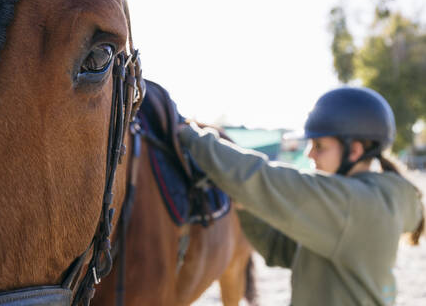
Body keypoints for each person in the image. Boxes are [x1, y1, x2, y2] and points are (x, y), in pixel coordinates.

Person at [177, 87, 424, 306]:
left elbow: (261, 178)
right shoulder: (370, 202)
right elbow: (283, 251)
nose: (309, 154)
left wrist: (187, 134)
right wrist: (244, 207)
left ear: (355, 150)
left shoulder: (354, 205)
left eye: (320, 146)